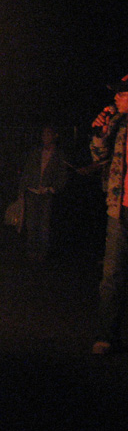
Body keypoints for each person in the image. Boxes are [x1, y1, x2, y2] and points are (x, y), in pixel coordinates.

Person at [89, 74, 128, 354]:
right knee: (112, 274)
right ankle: (106, 336)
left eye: (122, 93)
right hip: (119, 210)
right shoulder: (118, 123)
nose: (116, 97)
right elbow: (99, 157)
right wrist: (99, 133)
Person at [17, 125, 69, 261]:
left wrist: (53, 188)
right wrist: (22, 190)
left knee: (44, 224)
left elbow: (62, 175)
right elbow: (27, 171)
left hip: (46, 194)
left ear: (54, 136)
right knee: (31, 223)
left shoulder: (58, 155)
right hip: (32, 191)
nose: (45, 137)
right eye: (43, 134)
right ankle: (31, 250)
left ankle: (42, 251)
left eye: (48, 134)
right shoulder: (36, 152)